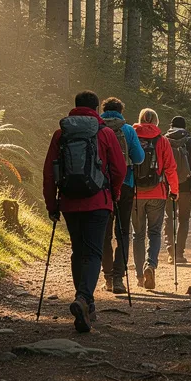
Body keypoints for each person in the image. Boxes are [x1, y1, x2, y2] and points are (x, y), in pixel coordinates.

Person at [42, 91, 128, 333]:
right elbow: (120, 169)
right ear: (96, 110)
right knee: (93, 252)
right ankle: (84, 299)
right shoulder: (106, 133)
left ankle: (86, 304)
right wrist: (115, 192)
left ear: (75, 107)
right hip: (99, 202)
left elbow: (49, 172)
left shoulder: (61, 134)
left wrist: (52, 205)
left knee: (77, 251)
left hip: (69, 202)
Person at [100, 98, 145, 295]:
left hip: (100, 187)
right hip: (125, 184)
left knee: (104, 233)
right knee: (123, 232)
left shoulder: (97, 128)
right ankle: (119, 278)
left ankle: (108, 277)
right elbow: (139, 158)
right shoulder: (127, 130)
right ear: (120, 111)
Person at [131, 108, 178, 289]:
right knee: (154, 232)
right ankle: (150, 264)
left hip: (135, 193)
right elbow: (170, 168)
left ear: (140, 119)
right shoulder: (162, 140)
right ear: (156, 122)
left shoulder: (132, 137)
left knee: (138, 234)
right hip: (157, 192)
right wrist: (174, 191)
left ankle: (139, 277)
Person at [164, 115, 191, 264]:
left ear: (171, 126)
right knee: (183, 219)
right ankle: (179, 253)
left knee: (169, 218)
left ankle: (171, 252)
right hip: (187, 186)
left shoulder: (164, 141)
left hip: (168, 186)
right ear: (185, 127)